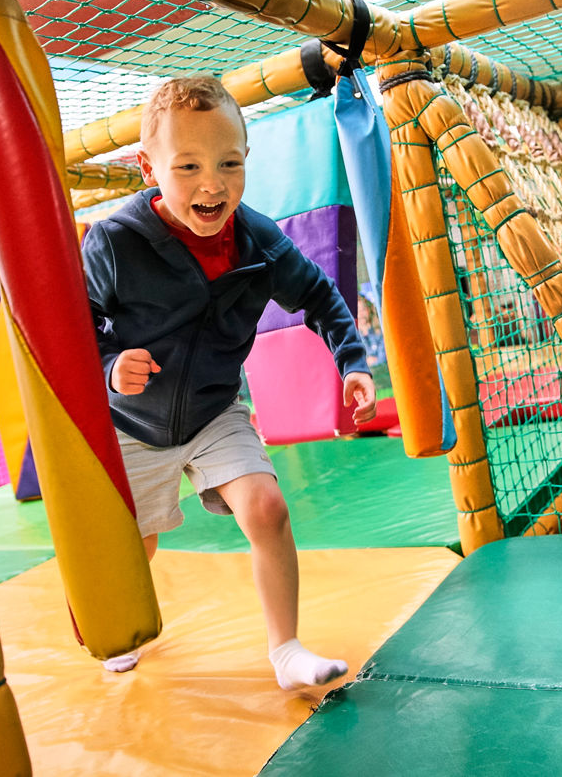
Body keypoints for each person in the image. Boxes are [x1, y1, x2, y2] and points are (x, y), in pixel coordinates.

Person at [82, 76, 376, 690]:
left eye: (228, 163)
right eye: (187, 166)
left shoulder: (258, 243)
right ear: (147, 167)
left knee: (267, 509)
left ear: (247, 160)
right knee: (139, 545)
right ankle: (116, 622)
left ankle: (286, 650)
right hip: (133, 421)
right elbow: (78, 322)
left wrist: (351, 360)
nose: (211, 183)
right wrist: (111, 365)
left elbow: (320, 295)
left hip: (216, 410)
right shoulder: (114, 241)